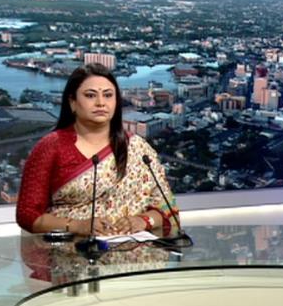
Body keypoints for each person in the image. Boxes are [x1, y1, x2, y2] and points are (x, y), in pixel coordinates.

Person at [16, 63, 180, 237]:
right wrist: (77, 226)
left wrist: (144, 221)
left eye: (108, 95)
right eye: (90, 95)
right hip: (71, 250)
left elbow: (167, 208)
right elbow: (28, 215)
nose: (101, 103)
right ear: (72, 102)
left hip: (137, 249)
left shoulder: (138, 148)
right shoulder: (50, 147)